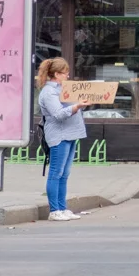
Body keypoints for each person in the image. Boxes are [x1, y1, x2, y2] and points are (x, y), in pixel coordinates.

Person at [36, 57, 86, 220]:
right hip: (59, 134)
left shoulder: (63, 89)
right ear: (56, 74)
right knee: (56, 173)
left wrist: (79, 104)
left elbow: (69, 107)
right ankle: (54, 210)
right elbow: (58, 114)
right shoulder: (49, 92)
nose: (68, 76)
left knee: (64, 173)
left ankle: (62, 208)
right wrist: (76, 106)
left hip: (70, 133)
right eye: (65, 73)